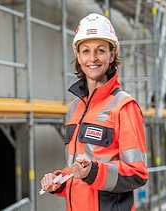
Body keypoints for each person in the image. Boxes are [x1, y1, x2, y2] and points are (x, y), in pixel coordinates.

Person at [41, 13, 148, 211]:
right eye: (86, 51)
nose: (93, 58)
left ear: (112, 54)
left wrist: (94, 172)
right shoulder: (74, 108)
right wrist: (60, 181)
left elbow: (137, 174)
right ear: (78, 56)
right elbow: (79, 172)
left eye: (100, 50)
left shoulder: (124, 106)